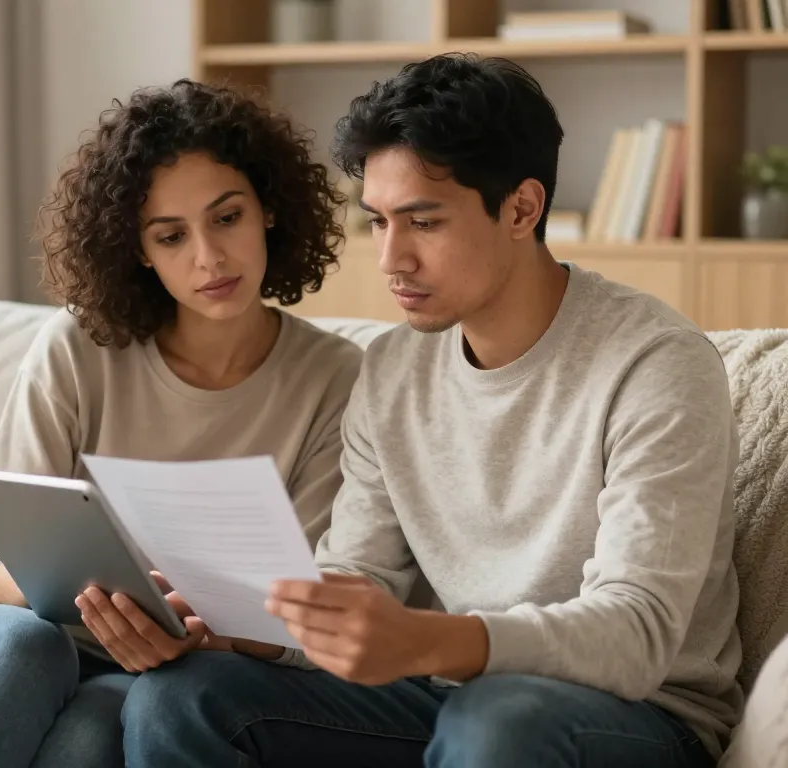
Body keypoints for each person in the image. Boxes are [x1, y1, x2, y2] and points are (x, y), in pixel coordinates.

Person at [119, 54, 744, 768]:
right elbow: (356, 578)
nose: (391, 259)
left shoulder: (656, 363)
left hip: (637, 716)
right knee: (184, 695)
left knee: (496, 720)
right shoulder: (391, 371)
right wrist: (237, 627)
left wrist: (430, 640)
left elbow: (638, 635)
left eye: (422, 222)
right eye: (379, 222)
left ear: (521, 208)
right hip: (457, 693)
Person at [0, 78, 363, 768]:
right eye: (171, 236)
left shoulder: (336, 378)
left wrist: (196, 636)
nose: (209, 258)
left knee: (93, 735)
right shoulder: (78, 348)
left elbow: (308, 607)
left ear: (268, 209)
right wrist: (93, 601)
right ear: (139, 250)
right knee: (31, 648)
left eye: (227, 218)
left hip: (153, 671)